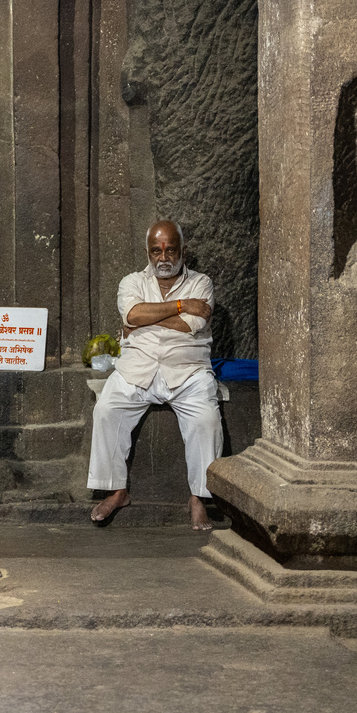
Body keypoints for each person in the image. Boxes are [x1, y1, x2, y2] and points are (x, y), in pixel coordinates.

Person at [88, 220, 222, 530]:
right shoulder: (131, 282)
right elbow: (131, 314)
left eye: (170, 249)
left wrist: (144, 320)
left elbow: (192, 325)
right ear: (148, 253)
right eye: (156, 251)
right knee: (107, 410)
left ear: (182, 251)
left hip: (187, 370)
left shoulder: (201, 283)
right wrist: (179, 305)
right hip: (138, 367)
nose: (163, 257)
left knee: (206, 420)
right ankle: (117, 491)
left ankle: (199, 498)